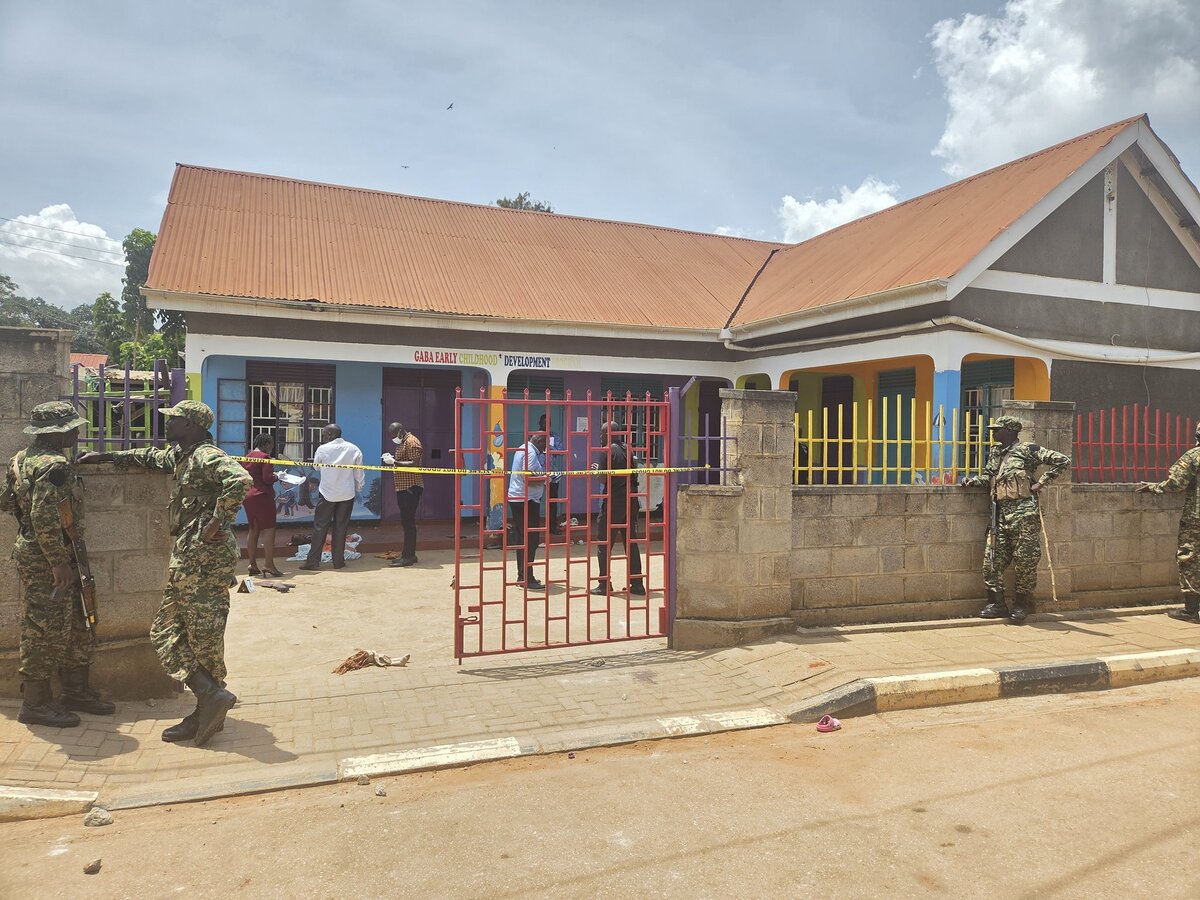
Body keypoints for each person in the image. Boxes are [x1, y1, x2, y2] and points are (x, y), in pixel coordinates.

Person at [77, 400, 250, 746]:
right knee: (164, 631)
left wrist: (217, 521)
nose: (167, 424)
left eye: (174, 420)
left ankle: (207, 707)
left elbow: (240, 480)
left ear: (192, 425)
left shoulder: (205, 455)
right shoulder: (181, 456)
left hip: (205, 561)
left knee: (205, 638)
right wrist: (104, 457)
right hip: (187, 561)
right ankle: (209, 696)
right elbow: (148, 457)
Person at [1, 402, 116, 728]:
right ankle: (35, 704)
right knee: (42, 629)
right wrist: (58, 562)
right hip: (50, 559)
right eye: (71, 427)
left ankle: (75, 691)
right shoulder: (54, 467)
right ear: (54, 431)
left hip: (51, 554)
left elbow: (6, 501)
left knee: (78, 620)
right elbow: (43, 518)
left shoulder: (22, 460)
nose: (77, 432)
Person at [960, 415, 1070, 623]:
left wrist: (1042, 482)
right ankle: (996, 604)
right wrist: (973, 481)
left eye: (997, 429)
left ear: (1010, 431)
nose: (993, 433)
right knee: (991, 561)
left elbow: (1062, 460)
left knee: (1025, 562)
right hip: (1000, 515)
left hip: (1024, 515)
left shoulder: (1027, 450)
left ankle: (1021, 605)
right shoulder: (995, 452)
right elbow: (990, 476)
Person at [1136, 421, 1200, 624]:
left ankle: (1191, 611)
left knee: (1189, 559)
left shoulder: (1194, 456)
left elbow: (1177, 483)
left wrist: (1154, 487)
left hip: (1196, 519)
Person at [590, 422, 645, 596]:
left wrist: (597, 471)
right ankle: (637, 584)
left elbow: (603, 479)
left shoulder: (606, 451)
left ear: (608, 433)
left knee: (604, 543)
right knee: (631, 543)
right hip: (631, 501)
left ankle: (604, 583)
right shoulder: (628, 449)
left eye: (601, 433)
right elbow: (635, 468)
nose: (600, 436)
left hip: (613, 502)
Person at [301, 424, 363, 570]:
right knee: (341, 527)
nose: (323, 437)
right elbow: (359, 472)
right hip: (347, 494)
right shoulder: (354, 449)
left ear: (330, 435)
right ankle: (338, 562)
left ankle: (313, 562)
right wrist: (359, 486)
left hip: (327, 493)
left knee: (320, 527)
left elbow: (316, 467)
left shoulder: (323, 449)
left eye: (324, 434)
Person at [507, 431, 547, 590]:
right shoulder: (530, 453)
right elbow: (529, 477)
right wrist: (546, 477)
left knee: (524, 538)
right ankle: (526, 577)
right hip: (526, 500)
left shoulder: (524, 449)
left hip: (522, 499)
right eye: (544, 443)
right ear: (538, 441)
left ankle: (523, 575)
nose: (546, 447)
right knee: (530, 539)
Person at [242, 433, 284, 577]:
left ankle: (252, 563)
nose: (271, 449)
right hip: (262, 496)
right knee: (269, 529)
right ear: (266, 444)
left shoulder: (247, 456)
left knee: (253, 529)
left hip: (248, 496)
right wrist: (277, 476)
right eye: (271, 446)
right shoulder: (265, 458)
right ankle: (269, 564)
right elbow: (267, 478)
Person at [383, 422, 423, 568]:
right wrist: (393, 460)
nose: (393, 438)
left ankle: (408, 556)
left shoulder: (412, 442)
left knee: (408, 523)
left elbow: (415, 463)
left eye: (394, 435)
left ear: (400, 431)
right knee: (406, 523)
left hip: (410, 487)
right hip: (404, 487)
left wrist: (394, 461)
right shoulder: (403, 442)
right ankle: (407, 554)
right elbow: (405, 460)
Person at [538, 414, 565, 534]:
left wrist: (549, 447)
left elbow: (561, 451)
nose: (545, 425)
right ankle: (534, 527)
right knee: (534, 501)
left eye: (548, 423)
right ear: (540, 424)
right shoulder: (535, 436)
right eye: (543, 423)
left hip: (552, 473)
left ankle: (552, 527)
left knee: (552, 502)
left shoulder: (555, 436)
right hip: (538, 473)